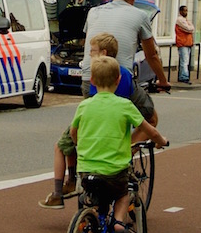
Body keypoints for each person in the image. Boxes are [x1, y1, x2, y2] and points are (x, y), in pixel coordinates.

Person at [67, 55, 168, 233]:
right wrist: (162, 141)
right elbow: (150, 131)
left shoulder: (84, 106)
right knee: (123, 193)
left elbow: (73, 133)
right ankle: (119, 223)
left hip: (86, 171)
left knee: (95, 211)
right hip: (114, 172)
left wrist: (81, 145)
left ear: (92, 81)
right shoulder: (125, 105)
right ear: (118, 79)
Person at [41, 32, 137, 208]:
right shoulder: (124, 75)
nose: (90, 55)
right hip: (116, 125)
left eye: (92, 51)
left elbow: (93, 104)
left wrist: (79, 141)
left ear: (104, 54)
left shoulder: (99, 75)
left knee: (62, 145)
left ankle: (60, 192)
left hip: (94, 121)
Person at [84, 0, 171, 119]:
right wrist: (162, 80)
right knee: (151, 118)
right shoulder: (141, 15)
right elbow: (151, 55)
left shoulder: (93, 12)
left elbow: (89, 42)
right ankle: (128, 142)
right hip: (118, 79)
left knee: (89, 119)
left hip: (90, 78)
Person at [173, 5, 196, 85]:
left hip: (187, 43)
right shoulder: (180, 20)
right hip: (183, 43)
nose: (186, 12)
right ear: (180, 11)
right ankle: (184, 77)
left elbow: (192, 28)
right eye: (184, 11)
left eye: (186, 10)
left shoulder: (185, 20)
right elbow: (189, 28)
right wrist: (190, 28)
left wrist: (191, 28)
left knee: (185, 60)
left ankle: (182, 76)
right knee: (184, 61)